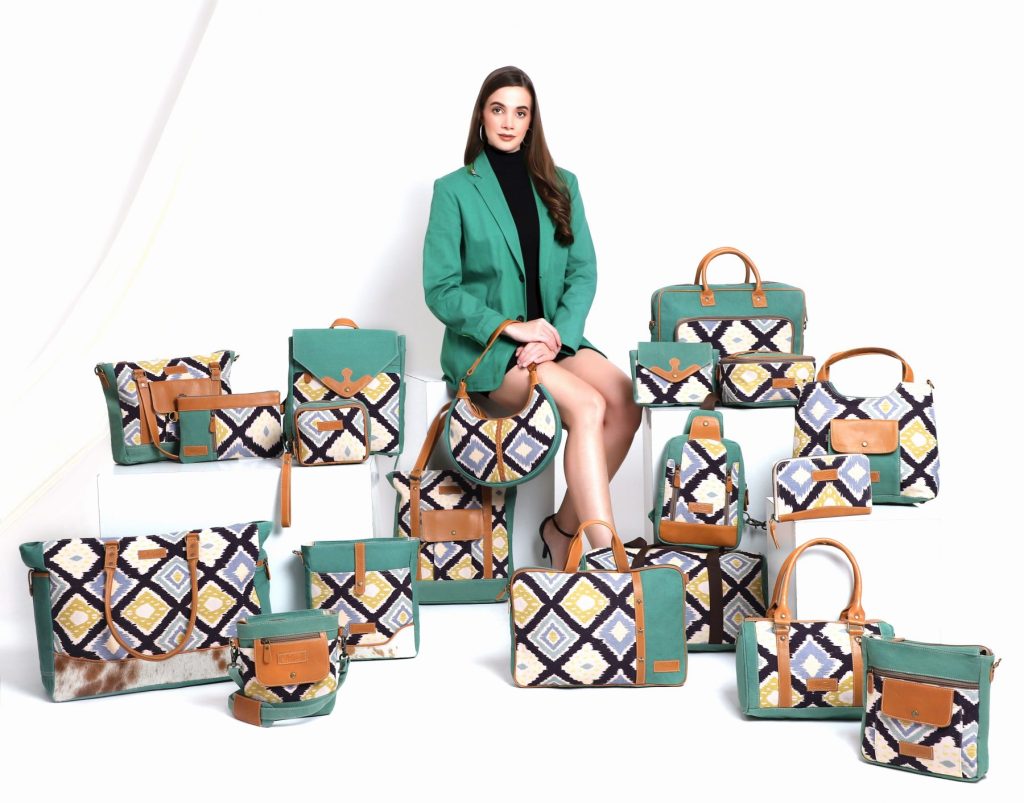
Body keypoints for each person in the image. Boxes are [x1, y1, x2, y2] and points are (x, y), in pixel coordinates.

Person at [422, 65, 641, 568]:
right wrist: (511, 329)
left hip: (553, 340)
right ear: (481, 115)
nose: (508, 122)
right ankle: (607, 555)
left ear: (532, 120)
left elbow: (583, 272)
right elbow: (441, 289)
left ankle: (561, 530)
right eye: (498, 109)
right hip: (492, 352)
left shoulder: (562, 184)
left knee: (625, 400)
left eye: (520, 112)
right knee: (587, 405)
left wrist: (553, 336)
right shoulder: (454, 190)